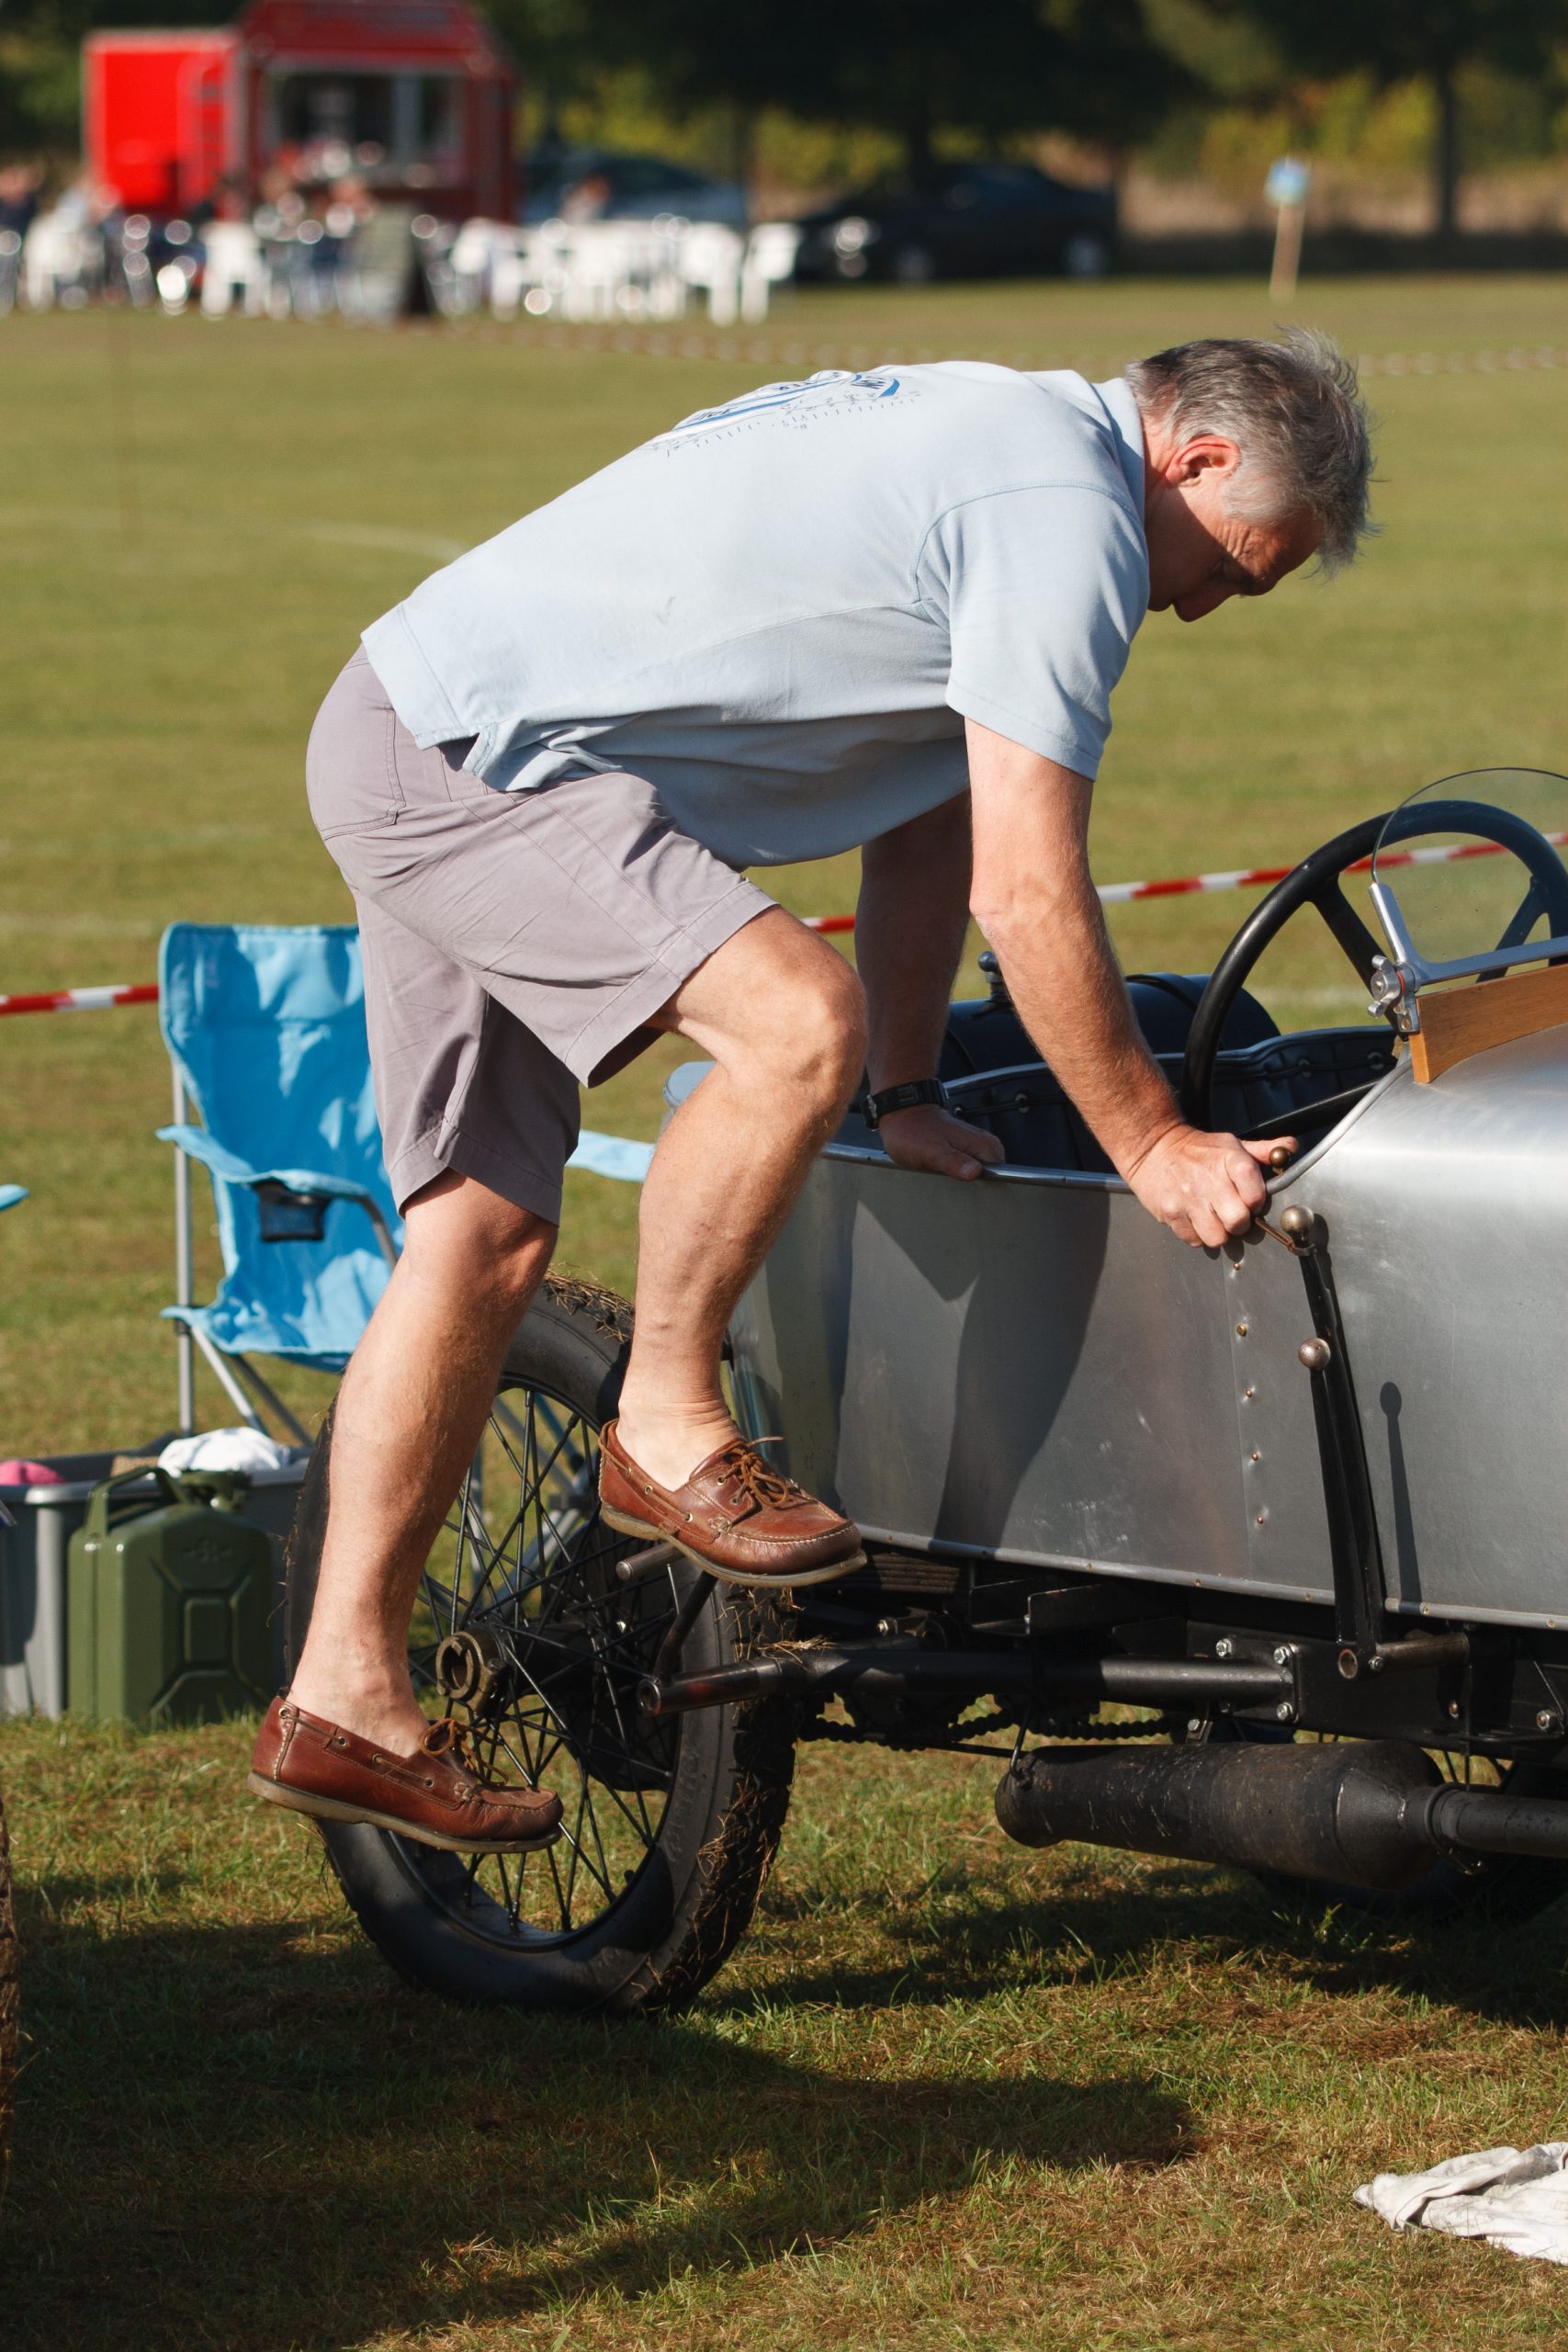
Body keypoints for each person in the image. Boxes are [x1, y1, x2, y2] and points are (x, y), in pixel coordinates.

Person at [249, 333, 1374, 1854]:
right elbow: (1027, 891)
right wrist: (1154, 1142)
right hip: (483, 760)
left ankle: (342, 1692)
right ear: (1197, 460)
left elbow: (929, 825)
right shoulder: (1070, 514)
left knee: (483, 1240)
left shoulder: (1010, 440)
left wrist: (907, 1087)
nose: (1207, 604)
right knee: (791, 1023)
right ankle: (661, 1421)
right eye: (1241, 566)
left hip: (420, 716)